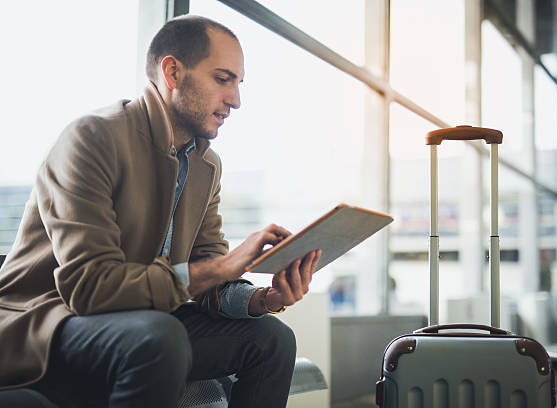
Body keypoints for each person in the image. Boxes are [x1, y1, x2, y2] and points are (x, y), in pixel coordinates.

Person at [0, 15, 321, 408]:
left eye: (238, 83)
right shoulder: (92, 138)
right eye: (223, 79)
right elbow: (89, 288)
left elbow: (207, 272)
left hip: (145, 318)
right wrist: (221, 267)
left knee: (271, 339)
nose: (235, 99)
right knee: (160, 336)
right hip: (50, 322)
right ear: (172, 72)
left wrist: (265, 299)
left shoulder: (206, 165)